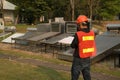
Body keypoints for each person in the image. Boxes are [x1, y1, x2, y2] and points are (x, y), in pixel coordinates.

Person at [71, 15, 96, 80]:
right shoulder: (92, 33)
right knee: (87, 75)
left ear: (80, 24)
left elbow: (73, 45)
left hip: (78, 58)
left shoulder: (78, 34)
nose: (77, 26)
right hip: (87, 58)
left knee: (75, 75)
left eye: (78, 25)